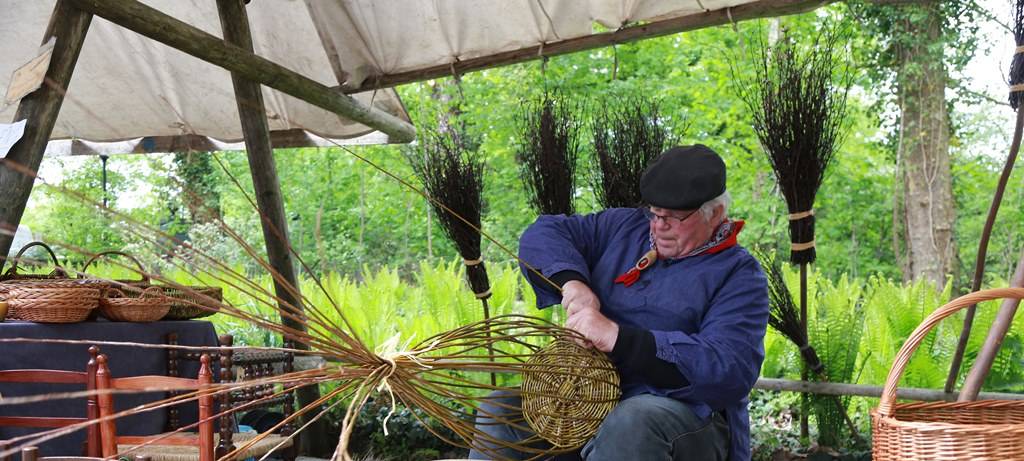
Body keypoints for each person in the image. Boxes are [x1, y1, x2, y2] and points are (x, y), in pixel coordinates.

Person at [468, 144, 769, 461]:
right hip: (588, 400)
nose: (658, 225)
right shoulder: (622, 228)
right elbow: (544, 233)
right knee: (502, 410)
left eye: (673, 217)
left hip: (686, 419)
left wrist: (618, 338)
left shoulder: (739, 276)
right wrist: (574, 286)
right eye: (654, 213)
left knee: (632, 421)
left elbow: (728, 368)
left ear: (716, 214)